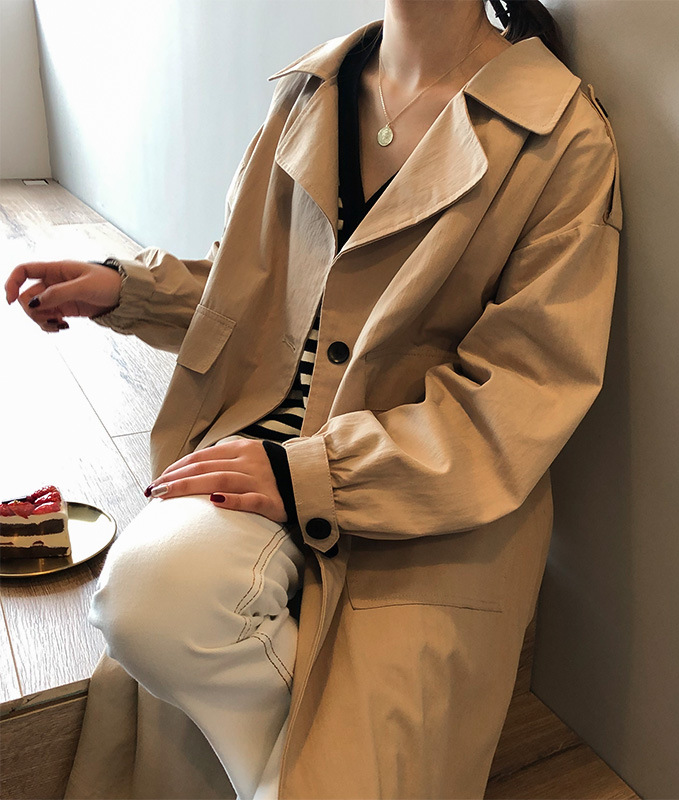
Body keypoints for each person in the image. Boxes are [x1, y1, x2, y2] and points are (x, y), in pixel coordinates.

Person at [4, 0, 622, 797]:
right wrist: (128, 290)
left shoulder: (562, 134)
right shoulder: (309, 93)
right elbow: (257, 294)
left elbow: (521, 394)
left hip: (434, 508)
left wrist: (311, 477)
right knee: (146, 598)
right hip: (261, 450)